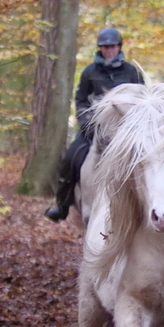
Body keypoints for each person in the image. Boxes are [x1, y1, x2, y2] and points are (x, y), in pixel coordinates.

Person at [44, 27, 145, 222]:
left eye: (113, 46)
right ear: (100, 48)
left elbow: (144, 100)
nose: (109, 50)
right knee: (70, 157)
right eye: (105, 47)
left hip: (126, 131)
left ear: (119, 47)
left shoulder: (132, 72)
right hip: (94, 130)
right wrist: (86, 123)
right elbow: (81, 100)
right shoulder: (89, 72)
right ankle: (62, 205)